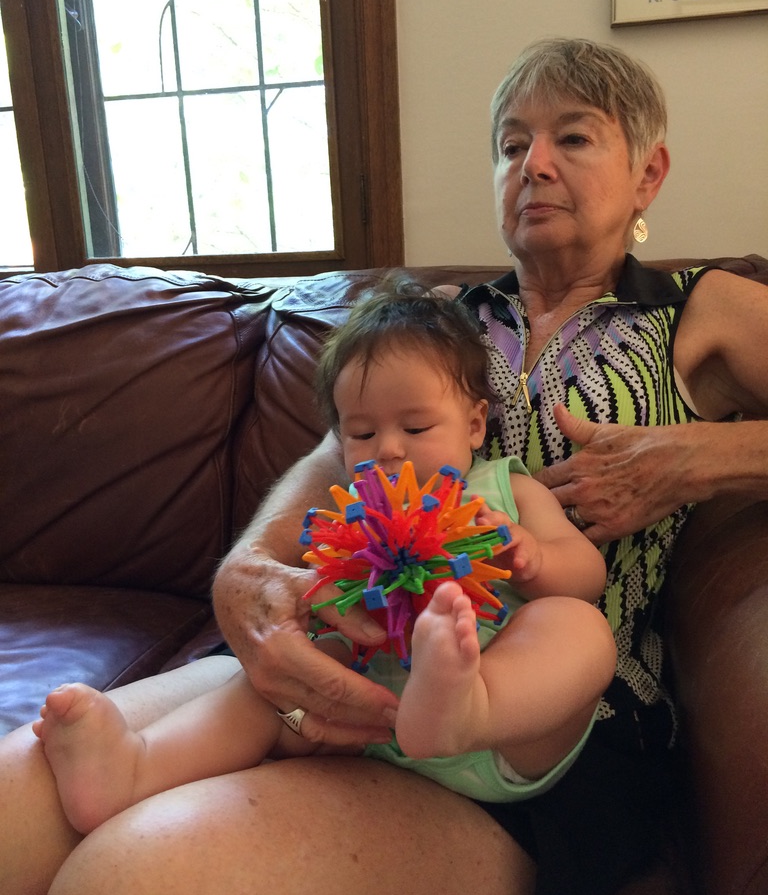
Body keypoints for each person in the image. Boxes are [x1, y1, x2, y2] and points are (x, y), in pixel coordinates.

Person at [3, 36, 768, 895]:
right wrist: (245, 573)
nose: (534, 165)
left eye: (573, 137)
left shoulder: (700, 310)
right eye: (511, 144)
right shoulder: (438, 322)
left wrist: (705, 456)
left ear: (648, 173)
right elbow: (335, 461)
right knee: (15, 815)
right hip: (362, 650)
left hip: (551, 722)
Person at [30, 278, 611, 835]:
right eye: (361, 434)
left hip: (499, 738)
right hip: (365, 722)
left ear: (476, 423)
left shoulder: (509, 491)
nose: (388, 449)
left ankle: (465, 708)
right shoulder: (351, 510)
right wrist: (321, 600)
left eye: (415, 427)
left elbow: (587, 575)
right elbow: (317, 592)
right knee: (271, 684)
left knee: (578, 626)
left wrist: (532, 556)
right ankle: (135, 767)